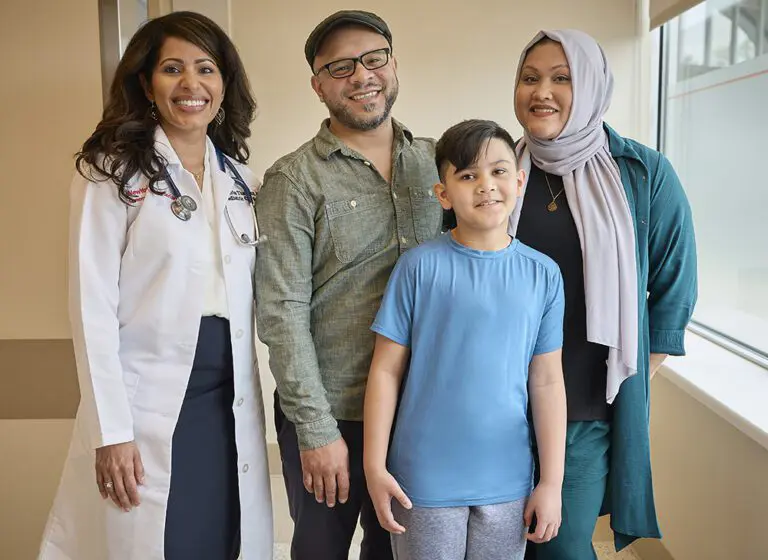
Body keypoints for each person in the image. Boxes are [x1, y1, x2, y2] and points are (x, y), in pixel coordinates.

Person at [37, 11, 272, 560]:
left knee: (222, 538)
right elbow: (90, 306)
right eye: (173, 69)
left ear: (224, 84)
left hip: (228, 402)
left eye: (206, 69)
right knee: (162, 541)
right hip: (148, 403)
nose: (192, 85)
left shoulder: (242, 180)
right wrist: (110, 432)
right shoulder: (109, 171)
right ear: (146, 83)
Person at [254, 9, 443, 560]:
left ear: (393, 64)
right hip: (334, 409)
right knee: (320, 551)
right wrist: (315, 430)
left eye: (373, 58)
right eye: (339, 67)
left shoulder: (439, 164)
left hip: (420, 409)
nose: (361, 75)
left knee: (401, 552)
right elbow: (282, 312)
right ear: (318, 86)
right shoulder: (294, 179)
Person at [510, 30, 698, 559]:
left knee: (561, 548)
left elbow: (674, 291)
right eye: (530, 78)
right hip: (497, 404)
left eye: (561, 78)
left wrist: (631, 377)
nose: (541, 91)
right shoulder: (499, 169)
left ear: (591, 86)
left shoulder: (642, 172)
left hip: (585, 410)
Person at [363, 119, 567, 560]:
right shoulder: (417, 267)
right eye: (468, 175)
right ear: (443, 194)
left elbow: (548, 381)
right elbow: (385, 370)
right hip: (423, 479)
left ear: (518, 181)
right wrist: (374, 466)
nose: (485, 186)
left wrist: (551, 482)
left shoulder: (543, 274)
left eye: (497, 172)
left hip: (508, 478)